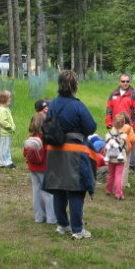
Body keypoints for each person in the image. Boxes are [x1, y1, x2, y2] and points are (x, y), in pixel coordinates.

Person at [43, 70, 98, 240]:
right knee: (76, 190)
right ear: (75, 85)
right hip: (74, 152)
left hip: (55, 150)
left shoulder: (52, 104)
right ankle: (77, 229)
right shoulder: (77, 105)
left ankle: (62, 225)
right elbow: (91, 127)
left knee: (59, 189)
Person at [105, 74, 135, 172]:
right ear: (119, 82)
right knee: (116, 144)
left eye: (127, 81)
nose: (125, 83)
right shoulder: (113, 94)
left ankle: (131, 166)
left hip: (129, 125)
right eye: (123, 81)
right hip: (116, 125)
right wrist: (108, 121)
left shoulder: (134, 94)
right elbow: (109, 108)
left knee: (130, 146)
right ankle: (116, 164)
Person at [24, 114, 56, 224]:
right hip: (44, 168)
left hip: (33, 168)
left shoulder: (30, 137)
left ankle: (39, 217)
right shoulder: (45, 139)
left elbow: (25, 153)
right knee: (48, 194)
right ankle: (51, 218)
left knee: (36, 192)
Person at [104, 113, 128, 200]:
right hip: (120, 158)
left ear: (113, 122)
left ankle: (108, 189)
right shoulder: (124, 136)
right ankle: (118, 193)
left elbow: (105, 148)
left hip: (110, 158)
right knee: (118, 175)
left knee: (111, 175)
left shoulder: (108, 135)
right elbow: (126, 147)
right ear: (123, 124)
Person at [0, 90, 16, 169]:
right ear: (4, 99)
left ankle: (8, 161)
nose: (10, 99)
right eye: (9, 97)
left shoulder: (5, 108)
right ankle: (3, 162)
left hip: (8, 132)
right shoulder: (2, 110)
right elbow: (2, 121)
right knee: (4, 147)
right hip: (5, 132)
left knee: (7, 147)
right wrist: (10, 126)